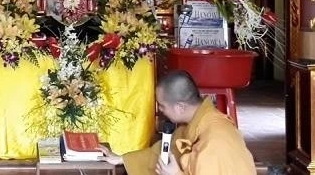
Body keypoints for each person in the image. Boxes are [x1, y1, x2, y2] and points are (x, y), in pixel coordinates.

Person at [100, 70, 256, 175]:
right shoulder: (197, 123)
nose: (160, 110)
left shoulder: (214, 142)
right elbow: (164, 153)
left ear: (180, 107)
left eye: (162, 105)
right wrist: (123, 159)